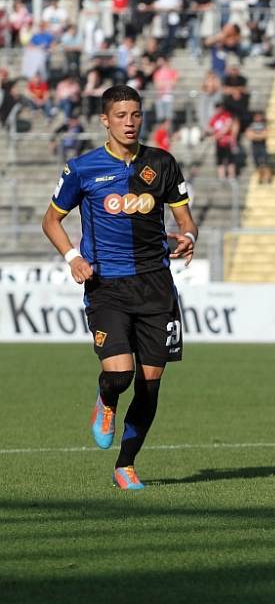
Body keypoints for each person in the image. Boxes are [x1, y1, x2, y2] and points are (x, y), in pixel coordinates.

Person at [41, 84, 196, 490]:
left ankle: (125, 465)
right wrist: (73, 257)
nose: (130, 123)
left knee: (150, 384)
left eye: (136, 115)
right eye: (121, 116)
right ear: (105, 120)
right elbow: (51, 221)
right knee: (121, 374)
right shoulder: (82, 169)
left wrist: (188, 237)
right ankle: (106, 400)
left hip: (156, 286)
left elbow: (186, 221)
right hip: (106, 285)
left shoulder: (162, 163)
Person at [246, 111, 271, 184]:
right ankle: (260, 178)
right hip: (255, 146)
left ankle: (268, 178)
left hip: (262, 146)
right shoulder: (251, 125)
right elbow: (250, 135)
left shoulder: (264, 125)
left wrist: (255, 135)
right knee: (257, 163)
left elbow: (265, 134)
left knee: (266, 162)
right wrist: (260, 135)